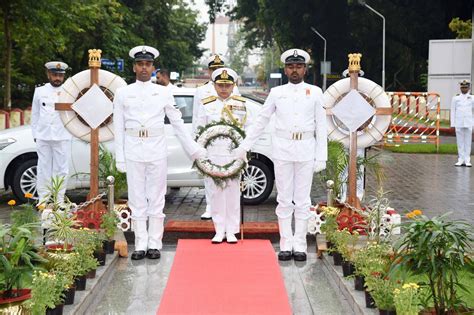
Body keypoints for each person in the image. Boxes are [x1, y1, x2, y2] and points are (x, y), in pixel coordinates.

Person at [233, 48, 328, 261]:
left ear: (305, 69)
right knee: (284, 199)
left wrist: (321, 156)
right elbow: (261, 120)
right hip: (283, 150)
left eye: (299, 66)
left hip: (305, 148)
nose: (295, 70)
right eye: (291, 67)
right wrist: (245, 145)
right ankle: (286, 244)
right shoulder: (277, 93)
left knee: (302, 200)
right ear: (285, 70)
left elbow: (322, 126)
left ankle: (300, 245)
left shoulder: (315, 92)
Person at [113, 45, 205, 260]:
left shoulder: (164, 92)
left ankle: (155, 243)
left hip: (156, 149)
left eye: (148, 64)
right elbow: (118, 127)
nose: (144, 68)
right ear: (134, 67)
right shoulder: (123, 93)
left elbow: (177, 123)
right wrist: (120, 157)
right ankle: (140, 244)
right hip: (134, 149)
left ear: (153, 68)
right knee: (136, 200)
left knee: (156, 199)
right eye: (140, 64)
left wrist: (193, 149)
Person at [194, 67, 249, 244]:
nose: (224, 88)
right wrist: (200, 153)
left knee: (233, 193)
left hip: (233, 153)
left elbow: (248, 129)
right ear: (214, 85)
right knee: (216, 192)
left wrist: (244, 150)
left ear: (233, 86)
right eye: (220, 85)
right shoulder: (207, 103)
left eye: (227, 85)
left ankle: (232, 230)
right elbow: (198, 128)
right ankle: (219, 230)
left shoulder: (241, 104)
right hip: (213, 154)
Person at [192, 54, 240, 220]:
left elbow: (239, 113)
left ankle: (226, 212)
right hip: (209, 140)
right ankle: (210, 206)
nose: (216, 71)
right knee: (209, 177)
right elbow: (196, 117)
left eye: (219, 68)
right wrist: (197, 141)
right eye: (213, 69)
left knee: (230, 179)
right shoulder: (201, 90)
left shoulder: (233, 88)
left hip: (228, 142)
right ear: (209, 71)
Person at [31, 61, 72, 205]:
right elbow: (35, 114)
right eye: (55, 75)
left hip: (62, 135)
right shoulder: (40, 91)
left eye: (60, 75)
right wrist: (35, 135)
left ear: (64, 76)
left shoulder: (69, 91)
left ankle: (59, 200)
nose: (57, 78)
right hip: (43, 135)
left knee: (62, 169)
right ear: (48, 74)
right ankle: (43, 200)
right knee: (43, 168)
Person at [451, 79, 474, 167]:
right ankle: (460, 159)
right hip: (459, 122)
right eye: (462, 87)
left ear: (469, 88)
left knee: (468, 142)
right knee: (460, 142)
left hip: (469, 122)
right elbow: (453, 111)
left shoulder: (472, 98)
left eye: (465, 87)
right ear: (460, 88)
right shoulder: (455, 98)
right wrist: (452, 124)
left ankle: (467, 160)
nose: (464, 89)